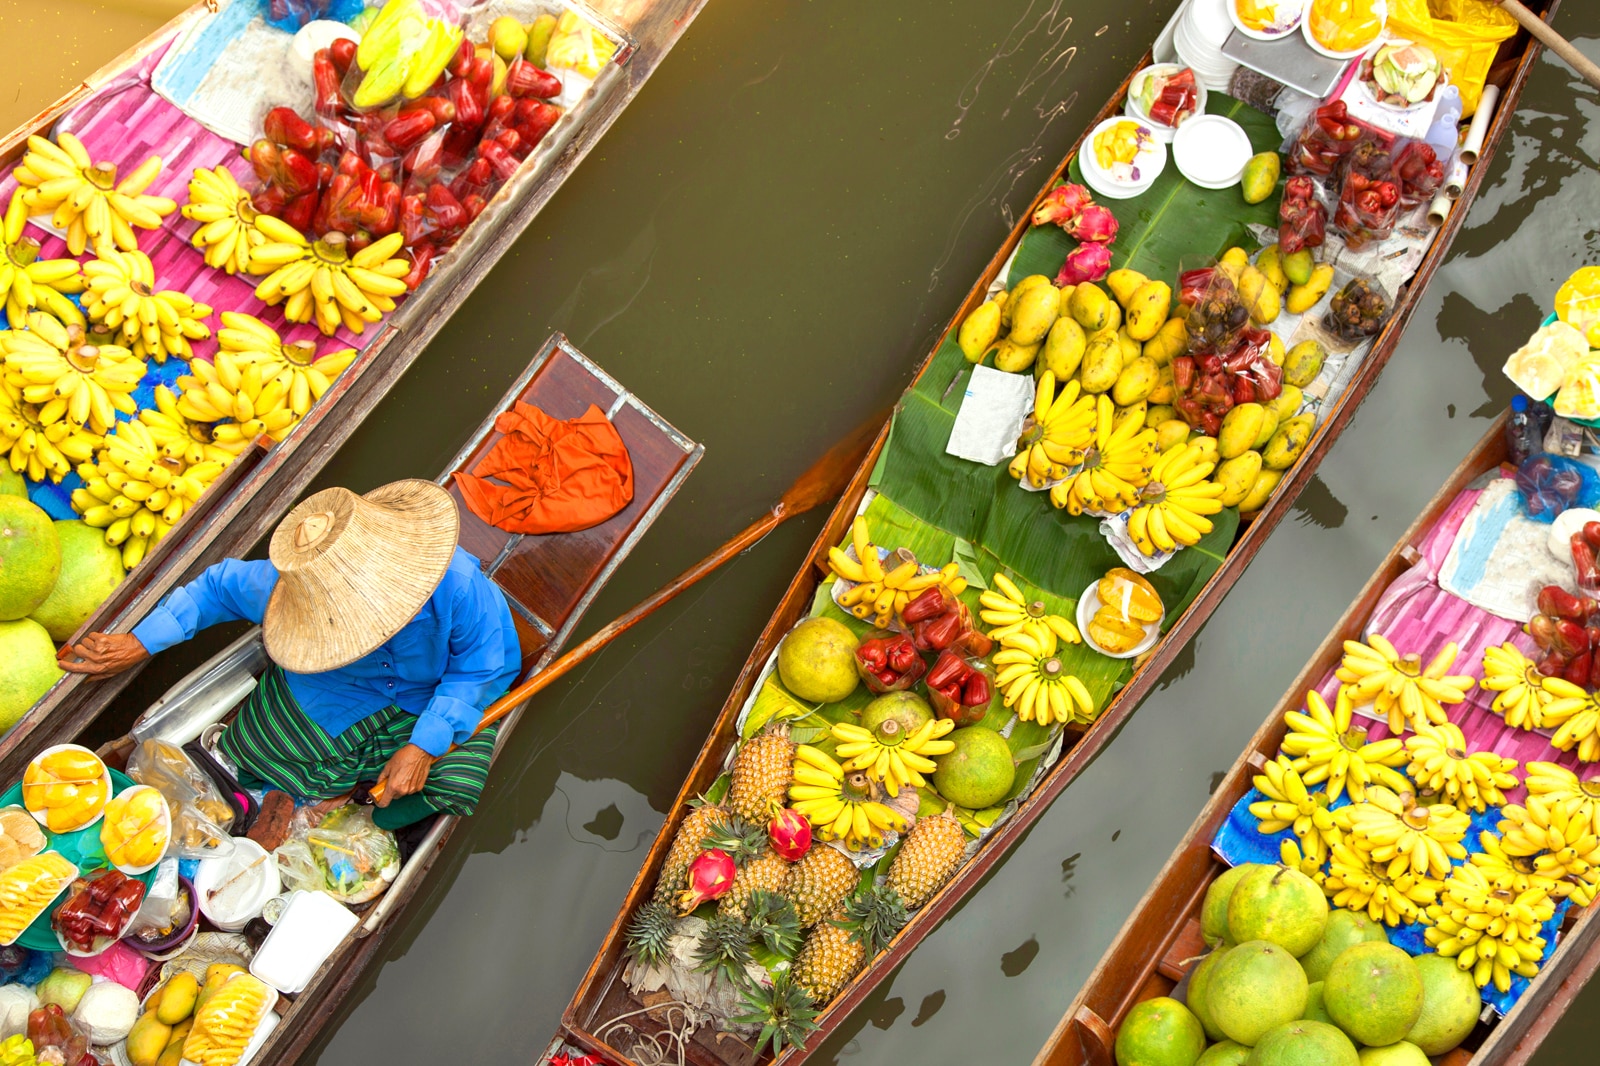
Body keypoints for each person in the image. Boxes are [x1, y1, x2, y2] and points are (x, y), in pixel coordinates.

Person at [60, 479, 521, 830]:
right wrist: (140, 642)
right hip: (338, 684)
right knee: (256, 749)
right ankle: (322, 793)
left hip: (437, 691)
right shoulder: (290, 590)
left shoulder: (458, 587)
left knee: (455, 778)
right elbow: (216, 588)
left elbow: (479, 669)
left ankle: (357, 799)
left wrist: (423, 745)